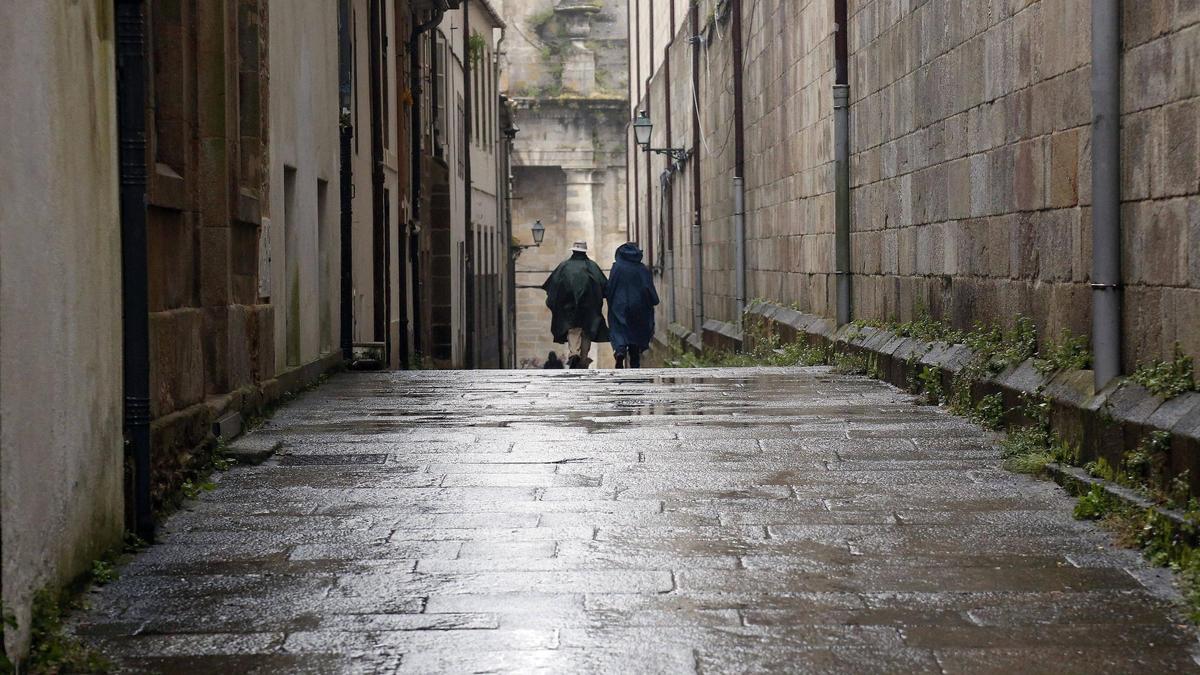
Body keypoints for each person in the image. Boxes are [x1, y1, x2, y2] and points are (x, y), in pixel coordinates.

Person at [542, 241, 609, 368]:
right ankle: (583, 358)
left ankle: (574, 353)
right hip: (589, 308)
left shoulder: (563, 267)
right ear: (585, 252)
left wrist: (555, 303)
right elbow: (604, 286)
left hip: (569, 307)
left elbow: (553, 287)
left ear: (573, 251)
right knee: (586, 331)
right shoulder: (592, 266)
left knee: (573, 330)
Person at [606, 242, 659, 368]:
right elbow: (648, 288)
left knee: (619, 328)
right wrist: (653, 300)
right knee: (636, 333)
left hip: (620, 305)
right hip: (639, 306)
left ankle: (620, 350)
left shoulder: (617, 268)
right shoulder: (642, 269)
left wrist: (609, 297)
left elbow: (610, 287)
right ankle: (635, 361)